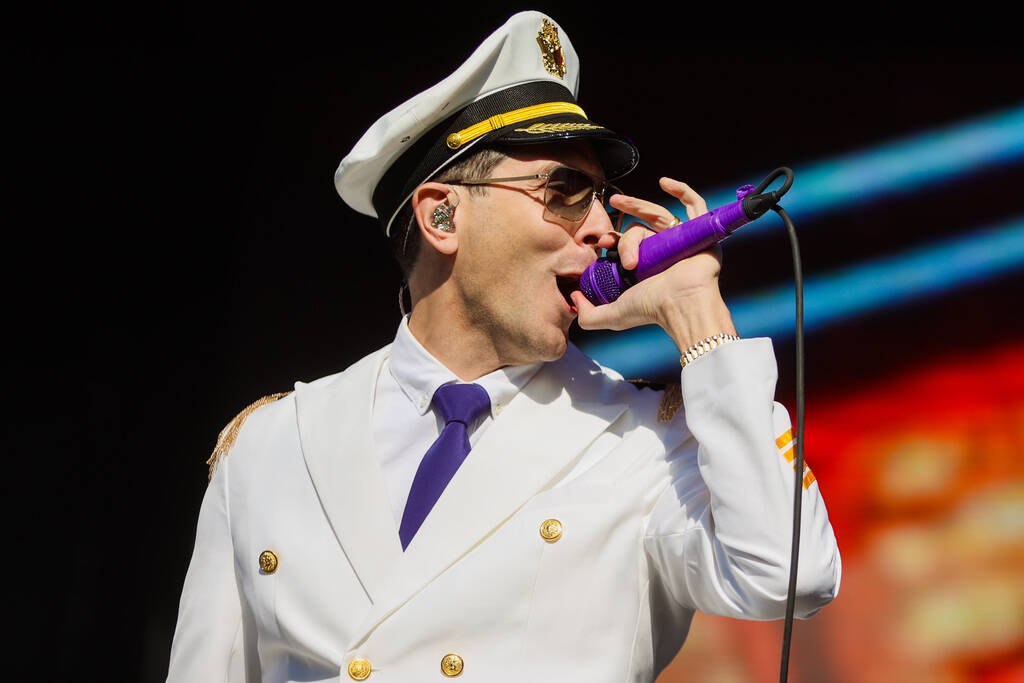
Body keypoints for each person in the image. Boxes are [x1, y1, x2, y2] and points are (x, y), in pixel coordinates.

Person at [167, 11, 840, 682]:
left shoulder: (643, 443)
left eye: (601, 197)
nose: (605, 226)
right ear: (441, 214)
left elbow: (793, 575)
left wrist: (698, 313)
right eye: (566, 191)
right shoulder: (273, 442)